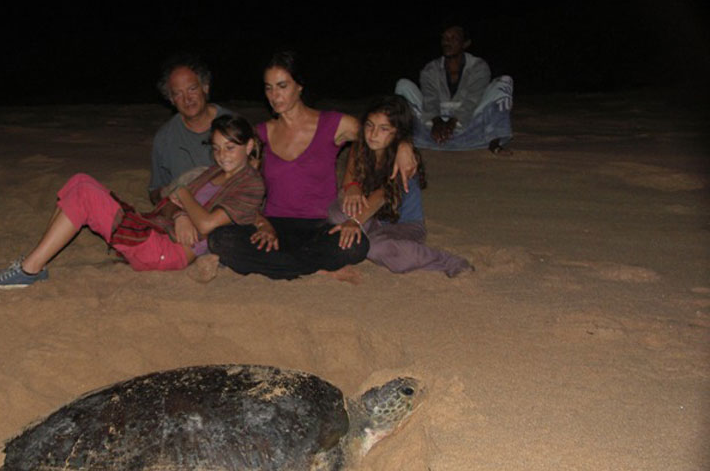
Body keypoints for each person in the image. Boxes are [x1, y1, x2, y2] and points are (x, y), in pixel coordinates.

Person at [0, 115, 265, 291]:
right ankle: (33, 265)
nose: (221, 155)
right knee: (80, 181)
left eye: (230, 148)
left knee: (85, 196)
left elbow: (205, 223)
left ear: (249, 146)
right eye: (216, 148)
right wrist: (179, 214)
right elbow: (168, 203)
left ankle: (29, 270)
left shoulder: (250, 183)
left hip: (169, 253)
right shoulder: (216, 172)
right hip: (160, 229)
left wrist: (184, 196)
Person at [208, 51, 417, 281]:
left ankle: (284, 265)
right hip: (274, 224)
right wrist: (261, 222)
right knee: (220, 239)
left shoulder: (332, 123)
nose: (274, 95)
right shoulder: (260, 134)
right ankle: (316, 268)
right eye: (268, 88)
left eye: (282, 86)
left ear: (299, 86)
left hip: (320, 227)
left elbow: (373, 134)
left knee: (357, 246)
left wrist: (404, 145)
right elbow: (244, 185)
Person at [330, 95, 473, 276]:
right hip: (371, 219)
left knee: (379, 250)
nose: (373, 134)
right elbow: (349, 180)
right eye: (369, 125)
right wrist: (353, 187)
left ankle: (448, 262)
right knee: (336, 211)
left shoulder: (404, 161)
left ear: (397, 132)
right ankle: (360, 238)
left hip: (402, 225)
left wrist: (354, 221)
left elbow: (382, 195)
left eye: (383, 129)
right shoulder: (361, 146)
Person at [395, 25, 513, 154]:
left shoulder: (479, 67)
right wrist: (437, 122)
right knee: (403, 85)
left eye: (453, 38)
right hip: (435, 123)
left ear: (465, 43)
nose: (447, 42)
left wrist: (452, 124)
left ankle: (494, 140)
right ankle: (403, 139)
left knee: (504, 82)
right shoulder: (430, 69)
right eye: (444, 38)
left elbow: (472, 100)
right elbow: (430, 99)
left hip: (467, 121)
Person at [149, 53, 231, 204]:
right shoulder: (164, 138)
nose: (187, 99)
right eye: (178, 94)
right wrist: (170, 192)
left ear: (205, 87)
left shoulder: (233, 125)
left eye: (192, 89)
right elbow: (154, 192)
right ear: (171, 99)